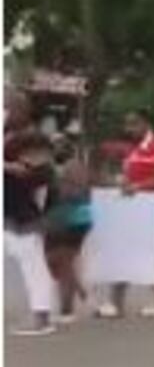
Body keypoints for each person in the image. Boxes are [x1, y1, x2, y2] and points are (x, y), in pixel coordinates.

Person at [99, 109, 154, 319]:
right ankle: (116, 303)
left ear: (147, 124)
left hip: (151, 208)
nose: (129, 129)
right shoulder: (132, 149)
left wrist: (138, 186)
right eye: (127, 124)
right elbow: (127, 174)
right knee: (122, 253)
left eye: (134, 124)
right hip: (130, 208)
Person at [6, 121, 61, 337]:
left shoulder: (39, 171)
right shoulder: (20, 167)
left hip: (24, 223)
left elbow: (34, 181)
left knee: (35, 270)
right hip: (16, 222)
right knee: (35, 270)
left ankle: (42, 318)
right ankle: (42, 317)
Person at [44, 137, 92, 322]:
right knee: (58, 263)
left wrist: (58, 185)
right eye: (54, 146)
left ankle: (67, 310)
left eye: (60, 146)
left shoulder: (74, 166)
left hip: (71, 218)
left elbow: (77, 192)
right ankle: (80, 292)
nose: (56, 150)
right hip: (60, 218)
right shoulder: (56, 167)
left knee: (62, 262)